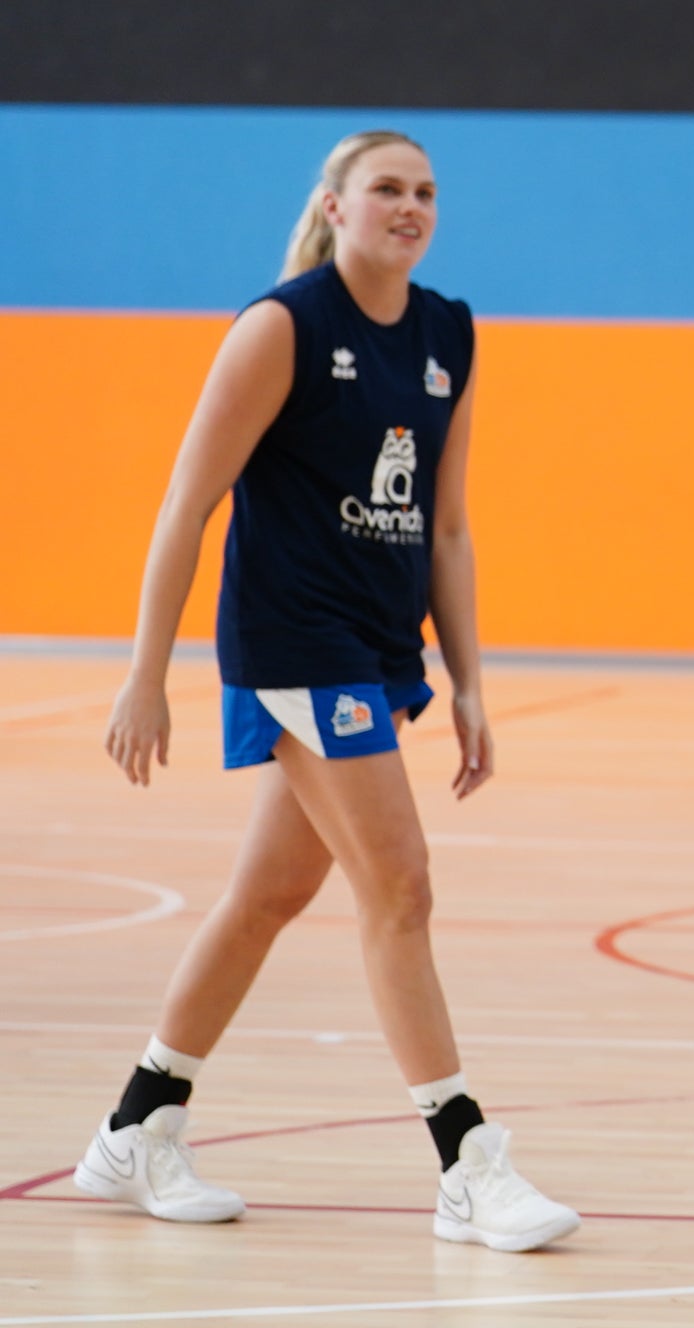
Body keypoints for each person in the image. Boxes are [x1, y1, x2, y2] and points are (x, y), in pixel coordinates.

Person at [83, 130, 578, 1251]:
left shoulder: (448, 330)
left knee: (266, 896)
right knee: (401, 885)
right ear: (336, 205)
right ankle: (467, 1161)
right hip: (295, 642)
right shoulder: (283, 326)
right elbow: (186, 503)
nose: (410, 207)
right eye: (388, 190)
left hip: (378, 649)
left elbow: (447, 525)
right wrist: (145, 673)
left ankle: (138, 1125)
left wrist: (470, 681)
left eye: (426, 192)